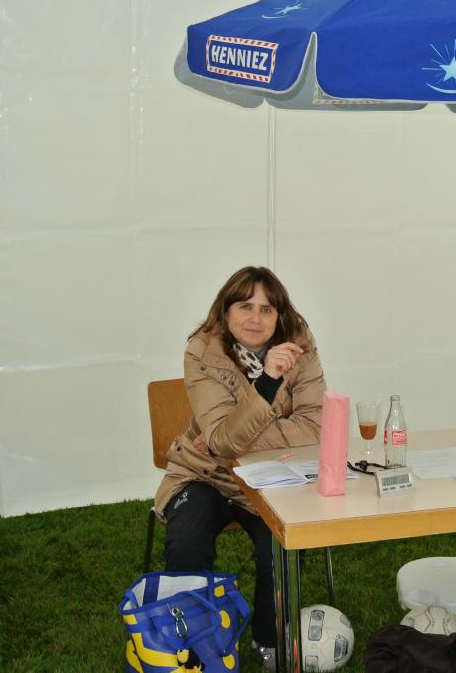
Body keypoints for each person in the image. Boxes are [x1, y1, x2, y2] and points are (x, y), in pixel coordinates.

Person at [153, 266, 326, 670]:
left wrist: (231, 435)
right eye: (245, 306)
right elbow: (220, 446)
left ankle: (268, 641)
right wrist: (267, 383)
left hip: (271, 477)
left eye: (267, 309)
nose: (255, 319)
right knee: (187, 543)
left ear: (280, 315)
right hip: (204, 474)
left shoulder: (300, 345)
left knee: (280, 545)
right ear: (225, 311)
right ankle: (192, 645)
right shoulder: (203, 350)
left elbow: (314, 430)